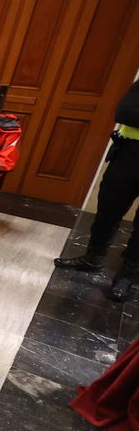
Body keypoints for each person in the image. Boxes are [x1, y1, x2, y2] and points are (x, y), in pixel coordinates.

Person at [55, 79, 139, 301]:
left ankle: (127, 276)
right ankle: (93, 258)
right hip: (129, 154)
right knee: (107, 211)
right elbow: (125, 113)